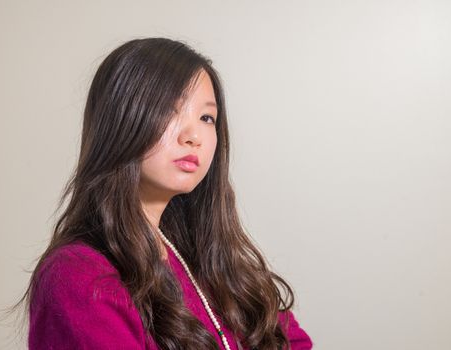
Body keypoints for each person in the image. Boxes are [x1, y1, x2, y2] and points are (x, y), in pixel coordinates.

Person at [20, 37, 313, 349]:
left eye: (206, 117)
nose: (193, 137)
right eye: (169, 111)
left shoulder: (206, 256)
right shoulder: (78, 275)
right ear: (120, 121)